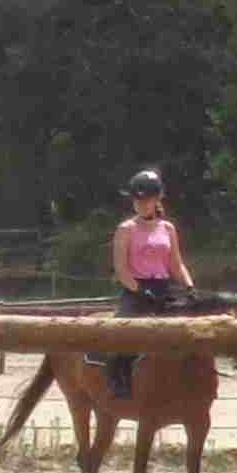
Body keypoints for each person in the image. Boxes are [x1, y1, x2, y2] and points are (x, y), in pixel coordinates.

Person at [102, 166, 192, 393]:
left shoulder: (168, 228)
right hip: (136, 290)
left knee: (194, 329)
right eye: (137, 200)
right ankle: (118, 382)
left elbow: (176, 264)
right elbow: (121, 270)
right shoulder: (126, 229)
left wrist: (189, 287)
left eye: (146, 199)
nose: (141, 204)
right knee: (123, 335)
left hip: (165, 288)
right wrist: (141, 290)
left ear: (157, 199)